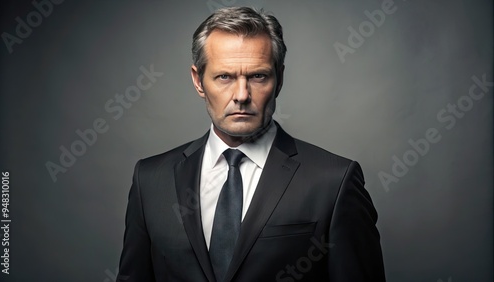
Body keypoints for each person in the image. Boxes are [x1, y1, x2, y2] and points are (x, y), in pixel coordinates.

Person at [118, 6, 385, 282]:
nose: (242, 95)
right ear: (198, 81)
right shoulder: (150, 180)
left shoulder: (334, 181)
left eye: (258, 76)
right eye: (225, 77)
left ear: (278, 79)